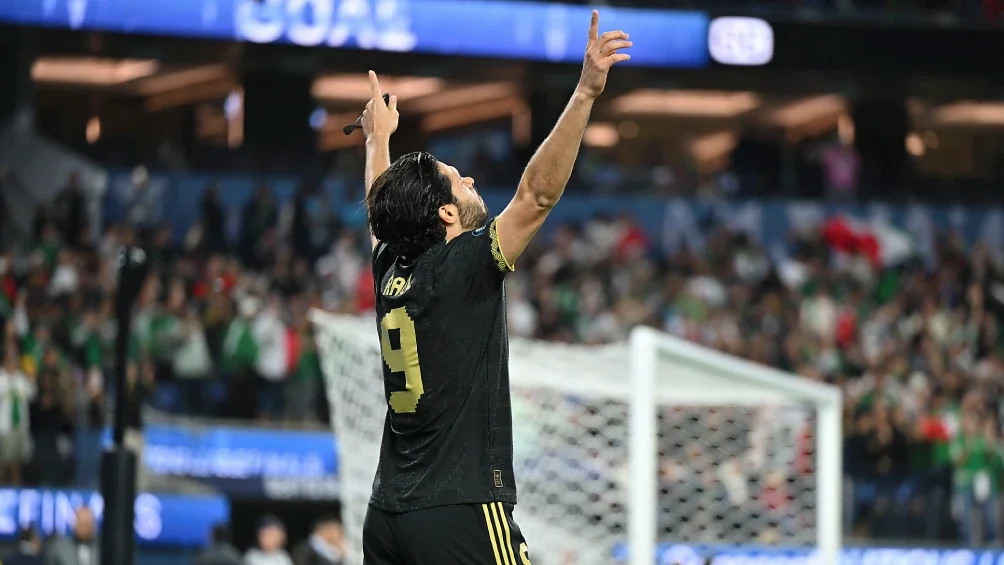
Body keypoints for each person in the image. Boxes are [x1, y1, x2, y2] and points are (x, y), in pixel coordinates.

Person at [358, 10, 630, 565]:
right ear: (446, 214)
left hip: (386, 516)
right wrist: (584, 92)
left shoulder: (391, 267)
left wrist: (376, 141)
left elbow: (380, 214)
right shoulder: (464, 265)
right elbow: (536, 196)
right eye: (457, 180)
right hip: (460, 511)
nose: (470, 180)